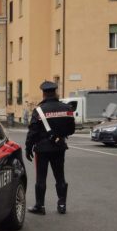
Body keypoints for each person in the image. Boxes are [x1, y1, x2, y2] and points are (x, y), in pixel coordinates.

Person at [25, 81, 76, 214]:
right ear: (55, 92)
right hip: (59, 147)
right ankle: (62, 205)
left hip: (42, 149)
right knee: (60, 176)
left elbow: (32, 132)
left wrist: (28, 147)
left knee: (41, 178)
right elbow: (71, 130)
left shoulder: (39, 110)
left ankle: (40, 206)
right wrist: (60, 135)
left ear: (43, 93)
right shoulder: (66, 108)